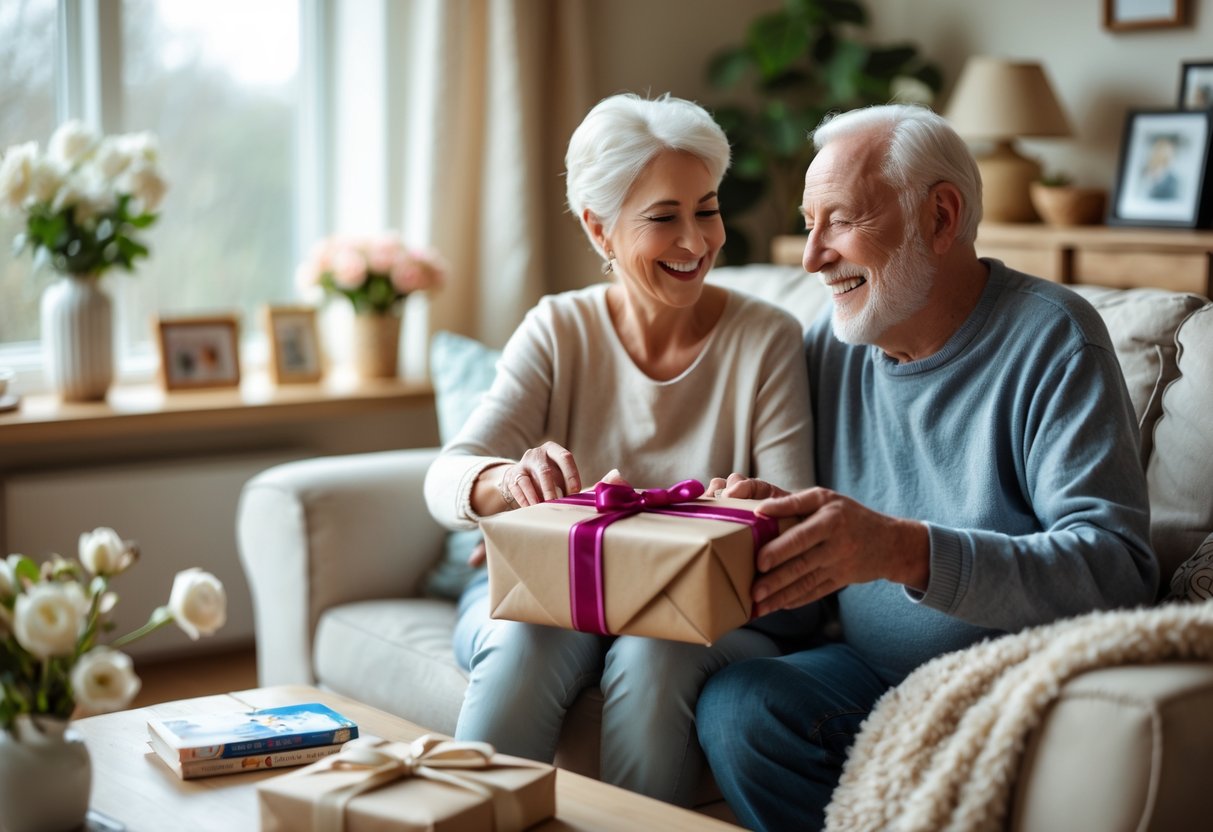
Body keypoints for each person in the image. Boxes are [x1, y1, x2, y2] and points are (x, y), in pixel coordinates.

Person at [695, 103, 1159, 831]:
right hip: (863, 671)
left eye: (839, 221)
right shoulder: (830, 345)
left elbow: (1115, 572)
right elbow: (813, 587)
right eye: (807, 223)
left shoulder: (1055, 340)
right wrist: (760, 525)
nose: (812, 256)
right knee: (738, 707)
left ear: (940, 218)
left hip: (999, 679)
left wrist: (905, 551)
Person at [423, 92, 817, 806]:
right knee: (521, 641)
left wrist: (757, 509)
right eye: (664, 218)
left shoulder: (767, 338)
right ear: (599, 229)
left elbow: (794, 522)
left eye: (707, 208)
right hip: (556, 593)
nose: (696, 242)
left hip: (707, 607)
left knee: (656, 650)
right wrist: (508, 483)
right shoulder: (558, 328)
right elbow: (445, 478)